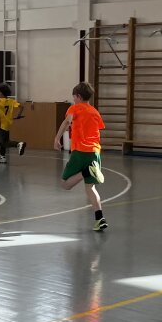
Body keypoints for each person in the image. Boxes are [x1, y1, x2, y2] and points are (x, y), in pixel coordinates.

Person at [53, 82, 108, 232]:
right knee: (91, 188)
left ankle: (85, 172)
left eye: (74, 97)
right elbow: (97, 129)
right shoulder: (95, 112)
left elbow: (66, 122)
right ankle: (100, 218)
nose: (73, 100)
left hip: (80, 152)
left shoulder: (74, 108)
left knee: (65, 185)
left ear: (78, 96)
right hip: (95, 152)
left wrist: (57, 138)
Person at [0, 83, 26, 164]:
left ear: (1, 93)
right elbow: (22, 107)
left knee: (4, 142)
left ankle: (18, 144)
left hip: (1, 124)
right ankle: (2, 157)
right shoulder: (11, 101)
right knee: (4, 140)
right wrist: (18, 115)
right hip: (7, 124)